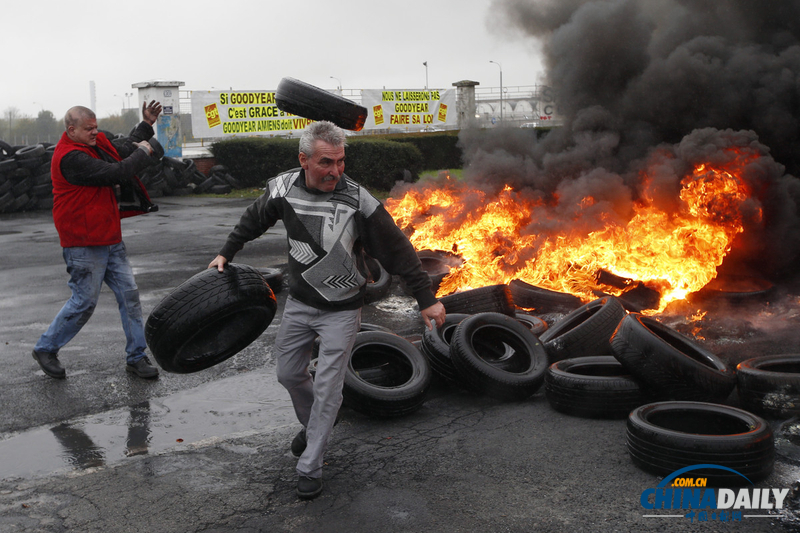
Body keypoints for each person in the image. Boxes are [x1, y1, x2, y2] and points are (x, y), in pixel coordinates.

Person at [208, 120, 446, 500]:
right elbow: (253, 220)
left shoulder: (358, 200)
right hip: (300, 303)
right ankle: (319, 421)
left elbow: (397, 249)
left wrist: (426, 299)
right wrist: (226, 253)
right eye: (325, 162)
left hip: (342, 309)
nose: (335, 170)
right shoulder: (283, 188)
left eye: (340, 161)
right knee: (288, 374)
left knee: (329, 385)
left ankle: (311, 465)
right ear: (304, 160)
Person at [32, 101, 162, 380]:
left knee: (130, 297)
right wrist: (145, 152)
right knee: (84, 302)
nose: (95, 132)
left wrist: (146, 125)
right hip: (83, 242)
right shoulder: (70, 158)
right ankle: (45, 348)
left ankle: (136, 357)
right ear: (71, 130)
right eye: (89, 129)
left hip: (109, 237)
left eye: (95, 127)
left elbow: (122, 148)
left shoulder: (94, 143)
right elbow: (116, 172)